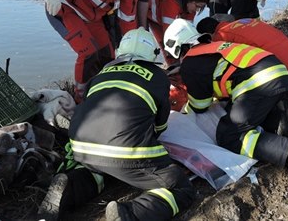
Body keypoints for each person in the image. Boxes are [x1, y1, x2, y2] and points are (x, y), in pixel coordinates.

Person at [38, 28, 195, 221]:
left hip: (81, 146)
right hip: (124, 150)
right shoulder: (158, 76)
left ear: (120, 51)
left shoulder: (102, 73)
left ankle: (70, 187)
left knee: (102, 169)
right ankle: (129, 214)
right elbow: (160, 127)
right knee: (180, 187)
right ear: (152, 54)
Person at [163, 19, 288, 191]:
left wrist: (185, 112)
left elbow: (200, 106)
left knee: (230, 135)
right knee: (256, 120)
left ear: (178, 49)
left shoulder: (190, 63)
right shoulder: (216, 46)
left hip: (257, 82)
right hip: (278, 72)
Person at [42, 0, 155, 101]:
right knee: (88, 53)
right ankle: (81, 99)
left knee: (108, 56)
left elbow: (127, 19)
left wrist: (132, 48)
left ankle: (101, 92)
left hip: (91, 17)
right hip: (63, 5)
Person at [147, 0, 209, 65]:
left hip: (156, 11)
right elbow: (169, 36)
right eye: (197, 6)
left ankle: (174, 66)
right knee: (165, 42)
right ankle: (172, 66)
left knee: (174, 44)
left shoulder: (190, 7)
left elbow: (189, 34)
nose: (197, 10)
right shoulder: (172, 0)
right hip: (145, 7)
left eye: (200, 8)